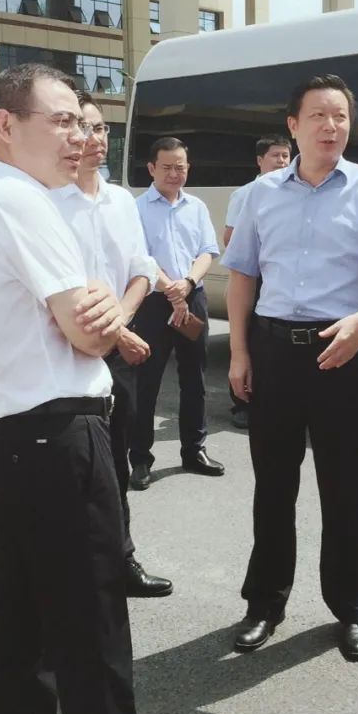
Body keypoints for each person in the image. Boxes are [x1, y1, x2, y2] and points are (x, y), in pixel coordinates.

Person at [0, 63, 141, 714]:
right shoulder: (20, 202)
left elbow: (77, 318)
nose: (78, 137)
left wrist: (94, 307)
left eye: (82, 123)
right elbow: (90, 333)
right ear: (5, 124)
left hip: (12, 440)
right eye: (60, 121)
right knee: (92, 631)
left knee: (22, 625)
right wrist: (104, 307)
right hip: (59, 436)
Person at [222, 74, 358, 660]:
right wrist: (239, 351)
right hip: (275, 353)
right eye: (318, 116)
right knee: (272, 486)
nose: (331, 126)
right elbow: (242, 275)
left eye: (340, 117)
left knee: (346, 488)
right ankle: (264, 603)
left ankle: (353, 608)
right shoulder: (260, 194)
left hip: (345, 350)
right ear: (293, 125)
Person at [48, 90, 173, 599]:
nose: (94, 138)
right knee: (74, 468)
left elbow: (142, 269)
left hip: (120, 354)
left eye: (100, 127)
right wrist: (116, 330)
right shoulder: (45, 201)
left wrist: (120, 322)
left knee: (115, 462)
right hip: (67, 353)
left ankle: (120, 559)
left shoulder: (122, 200)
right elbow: (57, 289)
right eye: (82, 126)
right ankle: (76, 571)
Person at [129, 137, 224, 489]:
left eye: (180, 167)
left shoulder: (196, 206)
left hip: (192, 297)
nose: (174, 173)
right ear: (151, 168)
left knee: (195, 379)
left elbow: (207, 251)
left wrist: (187, 283)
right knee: (146, 382)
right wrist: (172, 290)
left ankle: (194, 450)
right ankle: (140, 458)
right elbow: (141, 257)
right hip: (153, 303)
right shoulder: (136, 209)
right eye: (166, 167)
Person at [222, 134, 292, 430]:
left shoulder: (294, 192)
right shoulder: (246, 194)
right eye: (275, 155)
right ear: (260, 160)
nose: (282, 161)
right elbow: (230, 239)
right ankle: (242, 403)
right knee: (247, 337)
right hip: (255, 275)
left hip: (282, 275)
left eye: (286, 156)